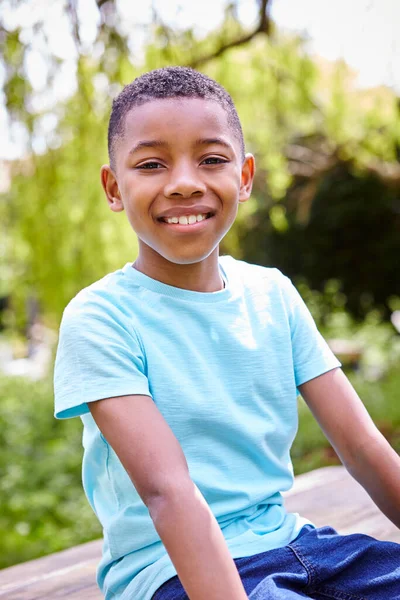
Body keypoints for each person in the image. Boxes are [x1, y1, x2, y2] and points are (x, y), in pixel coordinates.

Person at [54, 66, 400, 600]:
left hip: (297, 546)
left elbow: (361, 446)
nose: (186, 181)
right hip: (173, 572)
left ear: (244, 176)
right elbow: (168, 493)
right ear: (113, 186)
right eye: (151, 164)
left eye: (212, 159)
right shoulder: (101, 317)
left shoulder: (272, 294)